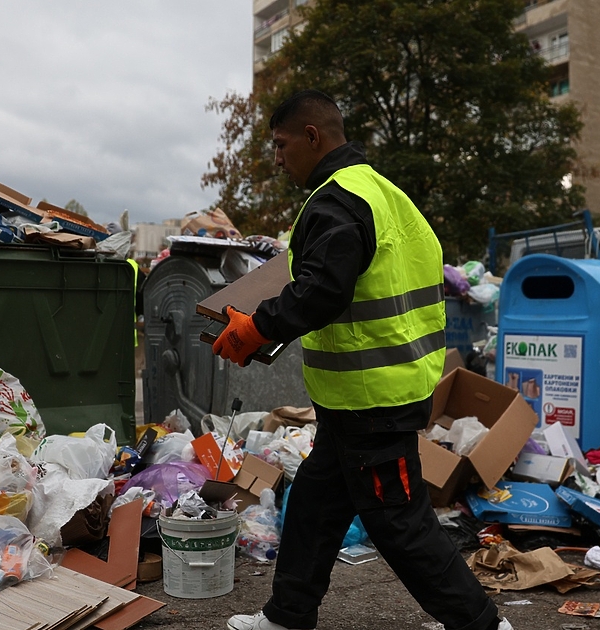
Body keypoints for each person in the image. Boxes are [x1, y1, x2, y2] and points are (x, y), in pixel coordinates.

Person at [213, 90, 508, 630]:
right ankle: (287, 617)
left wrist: (257, 327)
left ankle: (483, 625)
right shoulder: (383, 194)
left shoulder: (335, 201)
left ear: (312, 136)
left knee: (401, 524)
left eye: (281, 145)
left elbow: (324, 291)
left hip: (374, 402)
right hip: (368, 397)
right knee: (311, 509)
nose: (277, 158)